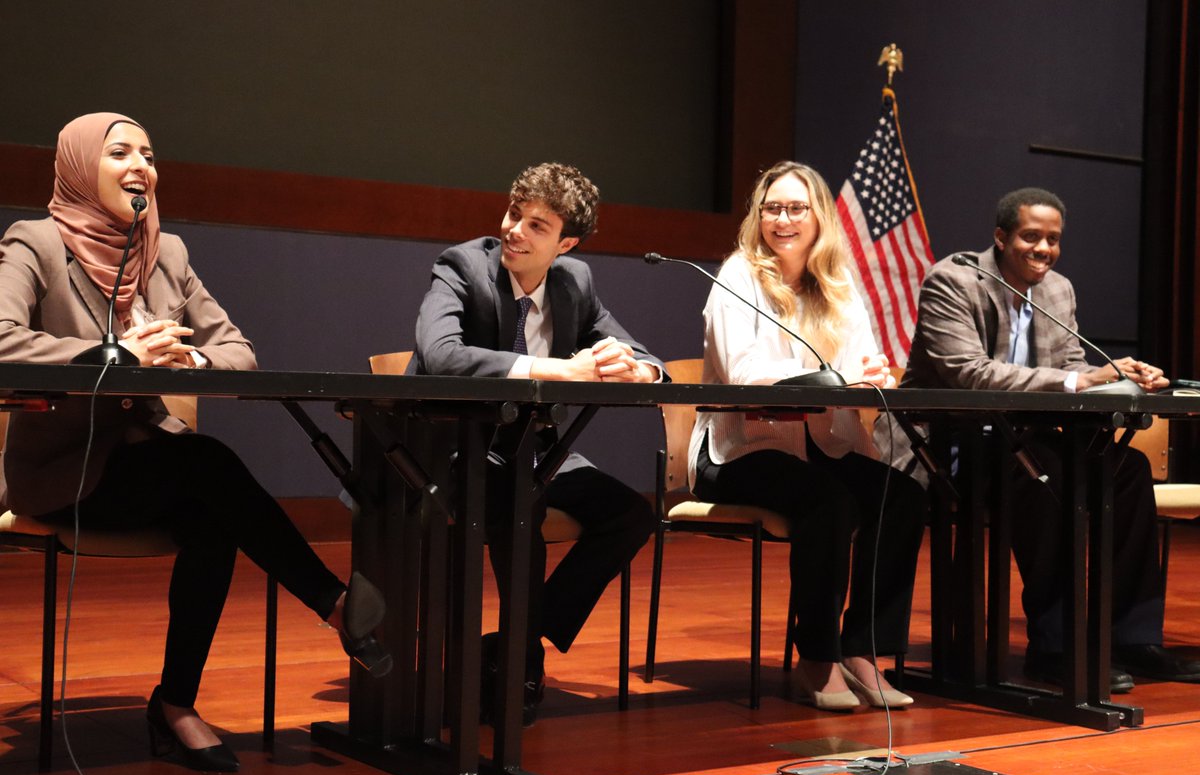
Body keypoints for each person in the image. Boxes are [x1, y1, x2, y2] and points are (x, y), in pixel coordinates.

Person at [0, 113, 391, 774]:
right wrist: (115, 352)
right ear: (77, 166)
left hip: (156, 468)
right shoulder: (35, 243)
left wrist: (197, 365)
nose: (140, 166)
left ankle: (176, 704)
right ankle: (334, 604)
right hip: (66, 473)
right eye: (119, 152)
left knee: (213, 517)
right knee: (209, 468)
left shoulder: (166, 252)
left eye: (149, 155)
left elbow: (237, 351)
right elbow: (3, 342)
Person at [877, 186, 1200, 689]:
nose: (1043, 250)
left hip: (1027, 438)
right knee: (1041, 472)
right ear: (1001, 237)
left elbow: (1070, 368)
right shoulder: (954, 281)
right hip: (951, 445)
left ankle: (1133, 640)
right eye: (1031, 237)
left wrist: (1118, 375)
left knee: (1127, 471)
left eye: (1053, 239)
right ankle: (1055, 646)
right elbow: (969, 373)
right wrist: (1080, 380)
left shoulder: (1058, 290)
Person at [413, 162, 664, 724]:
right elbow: (442, 358)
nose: (515, 231)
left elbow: (643, 354)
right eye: (513, 214)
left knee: (630, 515)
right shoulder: (462, 266)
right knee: (520, 499)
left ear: (565, 242)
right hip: (459, 448)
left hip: (537, 450)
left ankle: (511, 645)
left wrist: (637, 369)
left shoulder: (575, 281)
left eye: (537, 225)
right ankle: (518, 664)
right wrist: (555, 370)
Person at [688, 160, 926, 711]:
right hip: (738, 451)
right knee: (830, 501)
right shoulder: (737, 276)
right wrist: (836, 380)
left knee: (903, 496)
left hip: (824, 444)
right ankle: (817, 658)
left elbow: (863, 362)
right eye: (773, 208)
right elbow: (745, 374)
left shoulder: (838, 285)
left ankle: (864, 649)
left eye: (797, 208)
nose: (783, 219)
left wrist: (873, 374)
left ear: (819, 218)